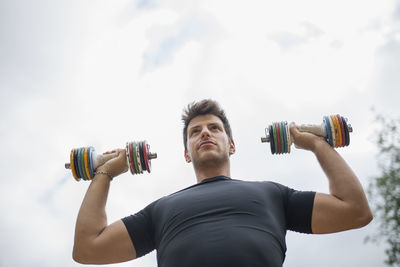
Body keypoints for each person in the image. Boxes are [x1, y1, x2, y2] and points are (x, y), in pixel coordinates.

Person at [72, 99, 373, 266]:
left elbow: (355, 210)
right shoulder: (160, 210)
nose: (204, 133)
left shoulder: (272, 194)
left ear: (231, 146)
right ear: (187, 154)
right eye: (195, 131)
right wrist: (105, 173)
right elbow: (88, 248)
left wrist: (318, 145)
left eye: (214, 128)